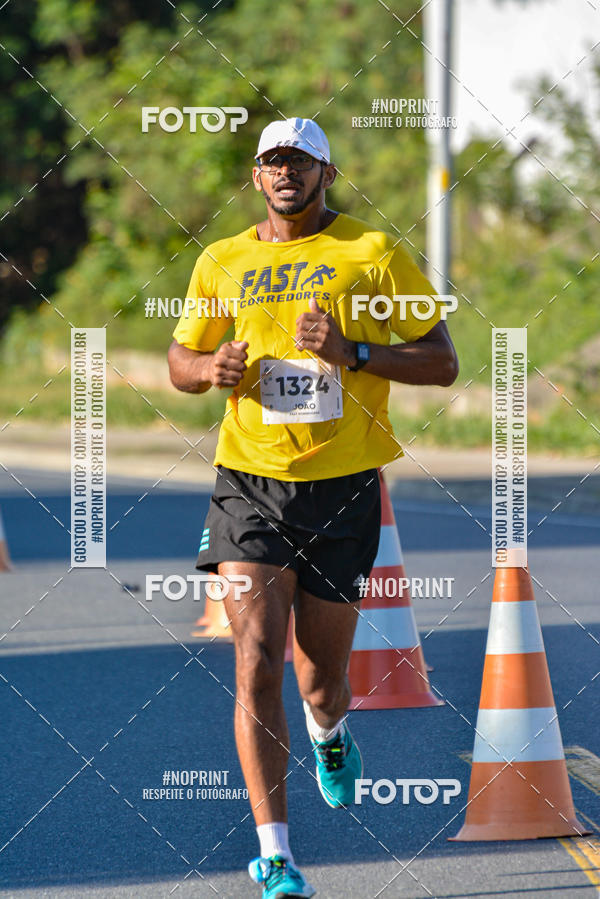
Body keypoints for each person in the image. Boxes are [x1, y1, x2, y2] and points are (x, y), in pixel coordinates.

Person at [168, 117, 458, 898]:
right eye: (272, 161)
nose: (285, 172)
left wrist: (352, 353)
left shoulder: (373, 251)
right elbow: (179, 358)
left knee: (321, 679)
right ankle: (276, 855)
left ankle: (330, 733)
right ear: (256, 176)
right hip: (249, 482)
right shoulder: (222, 259)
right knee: (256, 658)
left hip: (344, 486)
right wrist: (209, 368)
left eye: (299, 161)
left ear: (327, 173)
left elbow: (442, 360)